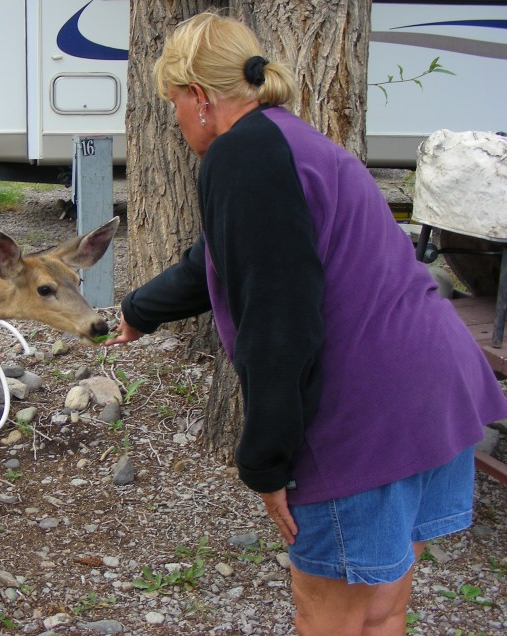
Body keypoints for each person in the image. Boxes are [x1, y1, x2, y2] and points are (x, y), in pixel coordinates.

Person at [104, 11, 507, 636]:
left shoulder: (240, 158)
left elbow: (277, 323)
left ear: (201, 98)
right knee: (380, 610)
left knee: (326, 617)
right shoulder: (290, 141)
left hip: (367, 415)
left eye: (173, 103)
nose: (176, 120)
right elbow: (217, 258)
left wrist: (267, 461)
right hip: (436, 392)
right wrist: (138, 310)